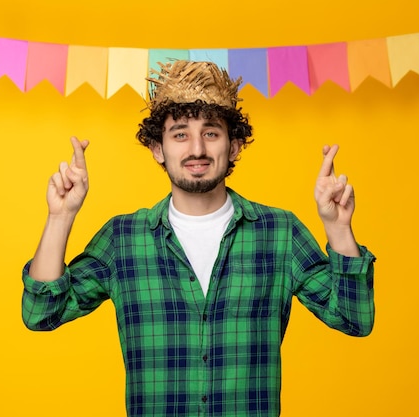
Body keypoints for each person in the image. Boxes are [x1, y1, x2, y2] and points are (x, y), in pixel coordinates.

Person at [21, 60, 375, 417]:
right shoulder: (122, 239)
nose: (197, 150)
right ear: (158, 149)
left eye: (210, 133)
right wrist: (61, 216)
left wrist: (338, 227)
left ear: (234, 146)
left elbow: (353, 318)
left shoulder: (279, 232)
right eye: (179, 134)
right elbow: (40, 313)